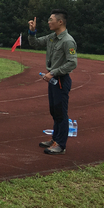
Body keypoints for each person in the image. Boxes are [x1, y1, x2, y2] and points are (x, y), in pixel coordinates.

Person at [29, 10, 78, 155]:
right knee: (54, 111)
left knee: (61, 112)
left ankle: (60, 145)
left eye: (51, 20)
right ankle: (55, 138)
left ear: (60, 22)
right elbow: (35, 43)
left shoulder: (68, 41)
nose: (49, 22)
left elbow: (72, 63)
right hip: (53, 80)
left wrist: (53, 72)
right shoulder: (52, 37)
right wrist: (32, 32)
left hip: (61, 80)